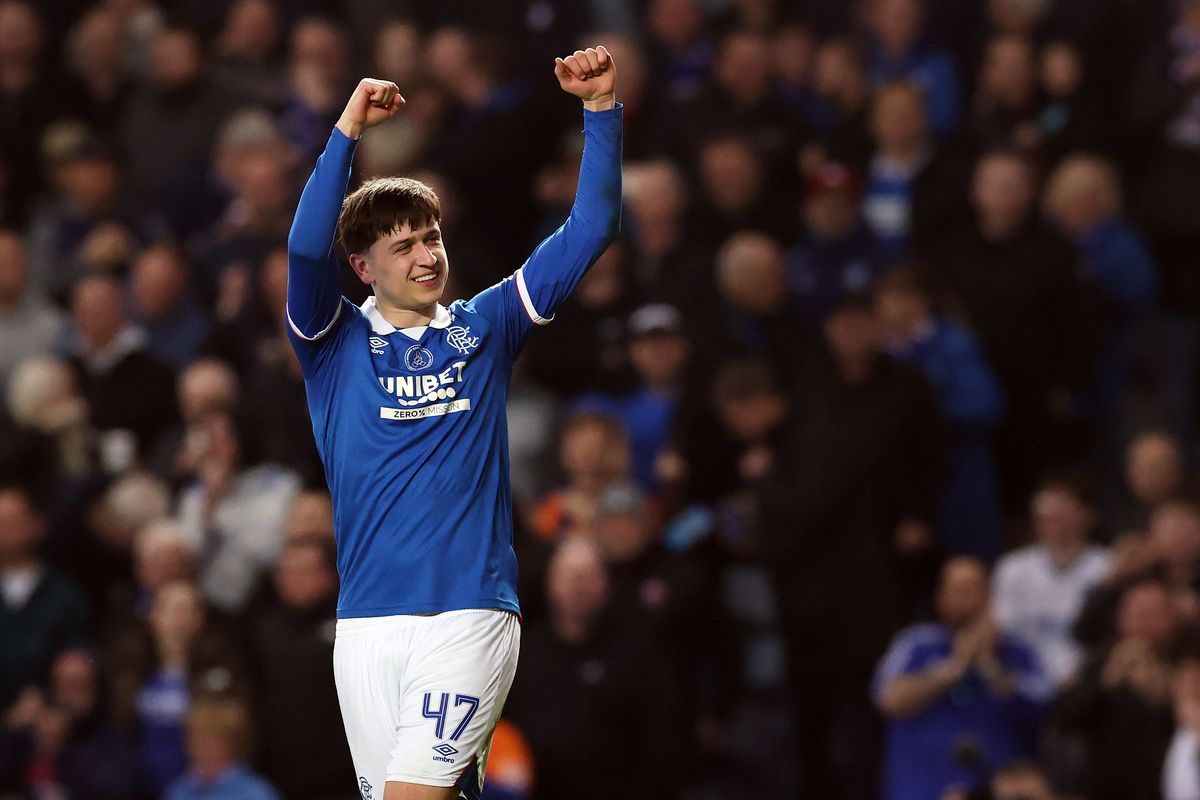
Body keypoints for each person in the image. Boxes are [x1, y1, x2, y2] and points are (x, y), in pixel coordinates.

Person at [285, 46, 621, 799]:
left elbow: (592, 225)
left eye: (430, 237)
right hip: (367, 628)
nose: (426, 255)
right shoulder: (331, 345)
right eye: (401, 246)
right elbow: (307, 245)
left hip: (468, 614)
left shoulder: (488, 325)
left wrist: (599, 111)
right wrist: (346, 131)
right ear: (364, 268)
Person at [872, 557, 1052, 800]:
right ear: (940, 596)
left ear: (989, 595)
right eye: (956, 590)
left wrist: (989, 665)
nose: (965, 598)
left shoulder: (1018, 651)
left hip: (994, 788)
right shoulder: (916, 644)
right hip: (922, 788)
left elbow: (1044, 707)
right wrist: (953, 668)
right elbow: (889, 700)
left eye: (972, 589)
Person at [991, 477, 1110, 686]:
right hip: (1025, 680)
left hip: (1087, 681)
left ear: (1085, 515)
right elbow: (1004, 630)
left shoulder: (1107, 567)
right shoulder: (1013, 568)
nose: (1054, 522)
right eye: (1046, 516)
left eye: (1062, 514)